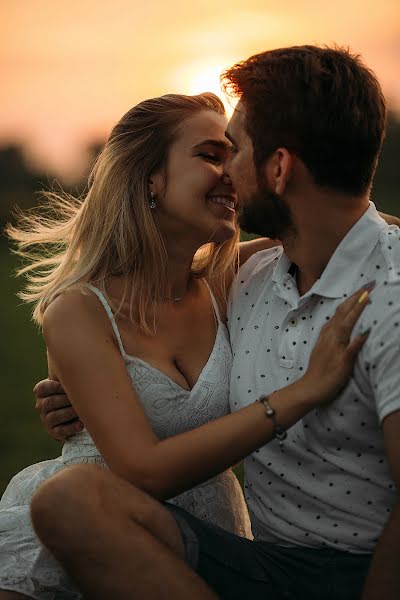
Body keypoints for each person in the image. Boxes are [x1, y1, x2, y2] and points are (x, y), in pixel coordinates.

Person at [30, 45, 400, 600]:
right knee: (67, 500)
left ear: (278, 167)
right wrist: (76, 392)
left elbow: (363, 232)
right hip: (251, 558)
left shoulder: (377, 291)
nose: (228, 169)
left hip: (351, 566)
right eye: (211, 153)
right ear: (151, 181)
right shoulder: (251, 280)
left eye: (235, 150)